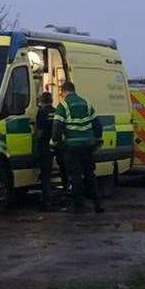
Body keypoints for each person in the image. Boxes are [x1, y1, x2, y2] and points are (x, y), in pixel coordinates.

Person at [53, 79, 103, 214]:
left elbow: (57, 126)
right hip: (87, 145)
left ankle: (79, 205)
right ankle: (97, 203)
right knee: (89, 174)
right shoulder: (86, 103)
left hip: (72, 146)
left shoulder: (63, 105)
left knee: (75, 175)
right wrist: (97, 138)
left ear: (64, 91)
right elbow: (97, 124)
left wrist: (54, 142)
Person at [33, 89, 62, 209]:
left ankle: (47, 202)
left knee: (45, 175)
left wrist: (35, 146)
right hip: (54, 146)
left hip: (44, 146)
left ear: (41, 101)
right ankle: (56, 197)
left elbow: (39, 132)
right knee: (51, 174)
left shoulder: (42, 112)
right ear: (52, 101)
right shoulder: (55, 112)